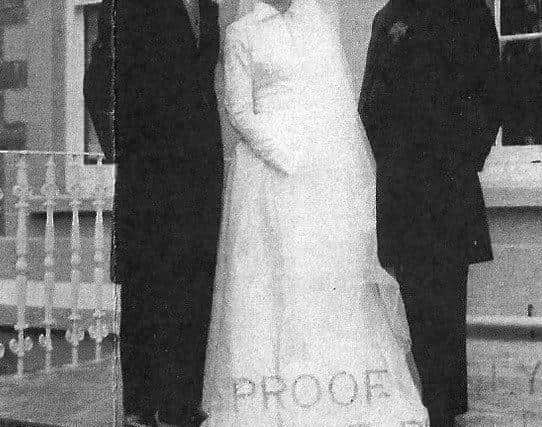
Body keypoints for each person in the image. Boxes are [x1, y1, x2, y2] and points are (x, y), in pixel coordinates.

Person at [201, 0, 428, 425]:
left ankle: (335, 383)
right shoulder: (241, 33)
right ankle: (265, 392)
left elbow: (337, 104)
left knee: (324, 277)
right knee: (268, 279)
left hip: (319, 174)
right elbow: (238, 110)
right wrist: (284, 156)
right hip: (267, 174)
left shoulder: (320, 25)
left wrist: (329, 163)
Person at [359, 0, 502, 425]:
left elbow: (491, 94)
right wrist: (395, 161)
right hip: (403, 188)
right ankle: (431, 402)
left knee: (448, 295)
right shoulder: (388, 18)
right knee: (416, 295)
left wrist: (461, 158)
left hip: (449, 184)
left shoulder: (471, 10)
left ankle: (446, 408)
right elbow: (369, 102)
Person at [83, 0, 223, 425]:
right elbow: (98, 82)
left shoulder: (209, 6)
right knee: (147, 284)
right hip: (150, 170)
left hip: (201, 167)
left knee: (194, 280)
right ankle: (141, 408)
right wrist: (126, 150)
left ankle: (181, 406)